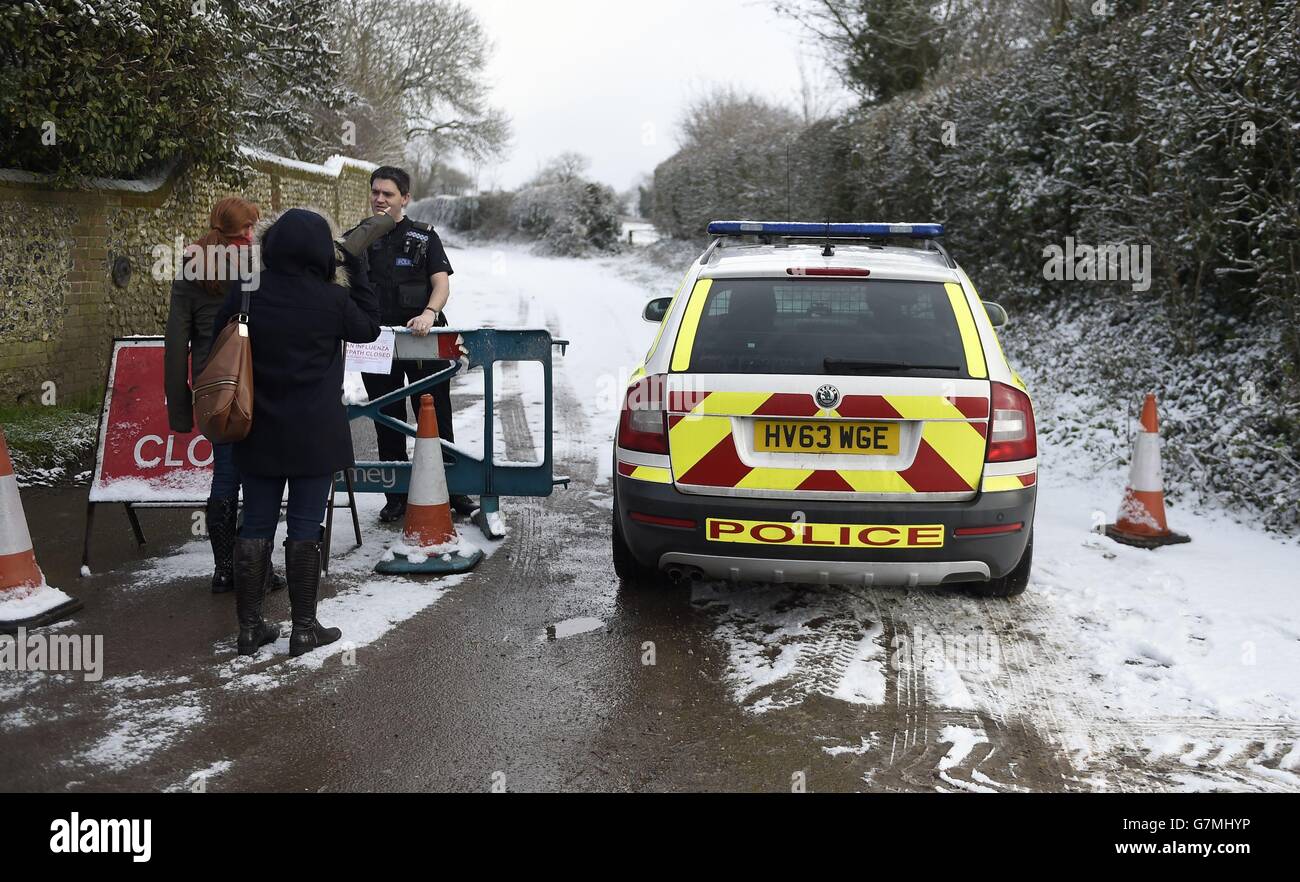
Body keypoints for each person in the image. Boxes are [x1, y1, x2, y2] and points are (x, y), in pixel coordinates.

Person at [215, 207, 391, 658]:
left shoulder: (247, 291)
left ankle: (250, 628)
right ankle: (304, 628)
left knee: (254, 524)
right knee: (305, 528)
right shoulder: (330, 301)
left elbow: (219, 336)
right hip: (315, 432)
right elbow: (369, 327)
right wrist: (357, 265)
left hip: (257, 427)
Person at [164, 197, 285, 596]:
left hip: (212, 385)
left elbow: (175, 340)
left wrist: (181, 406)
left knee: (224, 473)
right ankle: (259, 570)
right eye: (252, 227)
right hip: (254, 379)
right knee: (259, 477)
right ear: (247, 229)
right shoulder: (258, 264)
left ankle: (223, 569)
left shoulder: (190, 264)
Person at [358, 166, 475, 524]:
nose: (380, 199)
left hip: (424, 340)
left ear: (405, 198)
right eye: (376, 192)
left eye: (388, 194)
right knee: (387, 418)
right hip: (376, 343)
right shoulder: (357, 239)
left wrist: (428, 312)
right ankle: (395, 497)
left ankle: (455, 490)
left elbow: (441, 284)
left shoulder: (425, 238)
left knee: (436, 412)